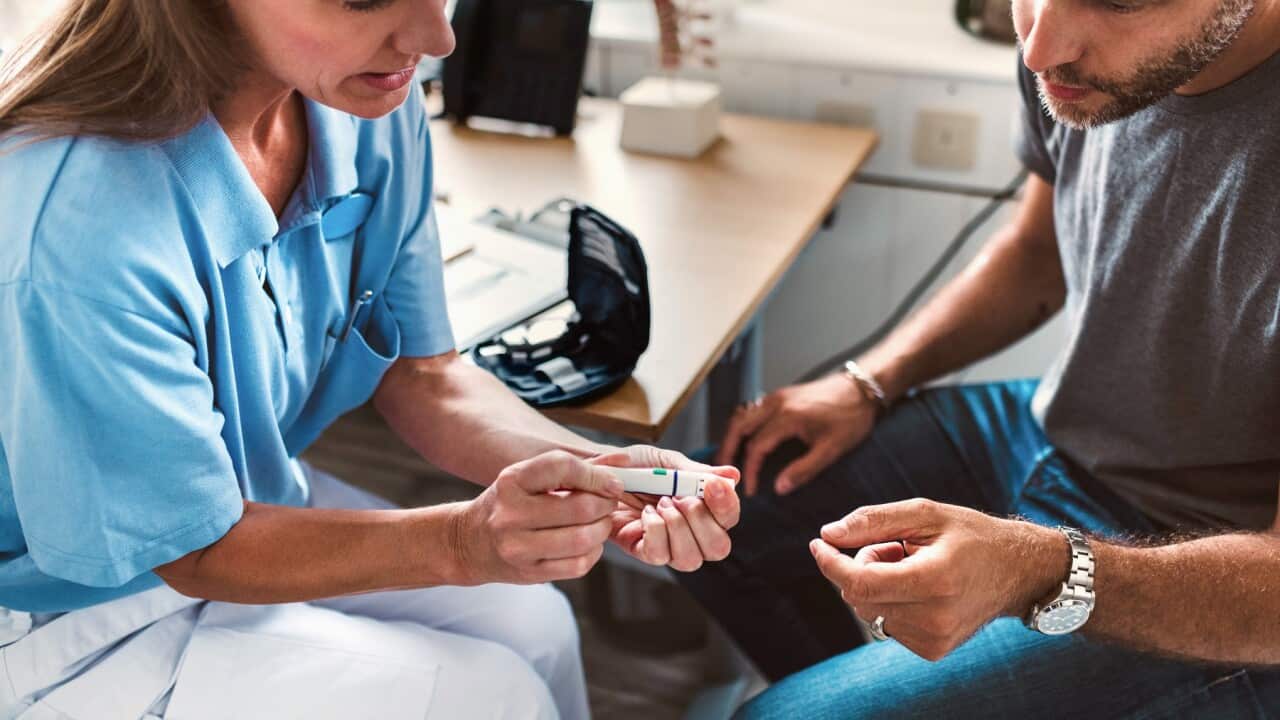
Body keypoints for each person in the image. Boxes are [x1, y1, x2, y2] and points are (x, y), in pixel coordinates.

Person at [0, 1, 740, 718]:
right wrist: (462, 541)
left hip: (241, 503)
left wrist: (604, 472)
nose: (437, 36)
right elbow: (194, 547)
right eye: (364, 0)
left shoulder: (363, 101)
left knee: (537, 625)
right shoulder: (78, 231)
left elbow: (426, 376)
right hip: (65, 608)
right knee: (491, 698)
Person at [678, 0, 1280, 716]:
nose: (1039, 49)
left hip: (1228, 567)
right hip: (1054, 429)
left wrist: (1038, 570)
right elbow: (1034, 256)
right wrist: (868, 382)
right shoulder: (1071, 55)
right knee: (721, 510)